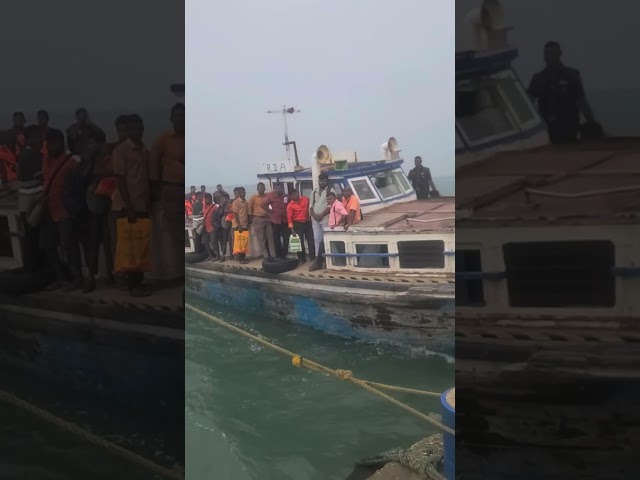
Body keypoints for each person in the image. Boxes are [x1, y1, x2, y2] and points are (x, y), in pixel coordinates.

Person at [111, 114, 151, 297]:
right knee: (130, 247)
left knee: (141, 244)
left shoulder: (143, 150)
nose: (140, 130)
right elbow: (120, 180)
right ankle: (132, 285)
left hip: (142, 203)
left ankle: (138, 282)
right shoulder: (121, 151)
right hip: (127, 207)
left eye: (141, 126)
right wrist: (129, 207)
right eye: (135, 127)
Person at [528, 41, 597, 144]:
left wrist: (591, 122)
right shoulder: (539, 79)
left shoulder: (572, 76)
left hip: (569, 129)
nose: (547, 57)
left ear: (559, 54)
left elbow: (582, 101)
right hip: (549, 131)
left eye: (551, 53)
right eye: (546, 54)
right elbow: (529, 104)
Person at [41, 128, 82, 290]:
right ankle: (60, 277)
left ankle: (77, 278)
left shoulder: (72, 161)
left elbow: (78, 187)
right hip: (48, 210)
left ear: (62, 142)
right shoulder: (45, 160)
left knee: (69, 245)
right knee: (49, 245)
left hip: (65, 210)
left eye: (56, 142)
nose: (53, 146)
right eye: (50, 143)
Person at [149, 103, 186, 281]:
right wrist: (159, 190)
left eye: (183, 115)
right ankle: (180, 273)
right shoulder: (163, 140)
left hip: (189, 192)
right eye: (177, 116)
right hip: (172, 190)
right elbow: (153, 164)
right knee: (175, 234)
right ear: (171, 118)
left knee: (193, 233)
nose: (180, 119)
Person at [16, 126, 44, 271]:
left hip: (28, 203)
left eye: (40, 136)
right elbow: (42, 177)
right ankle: (33, 269)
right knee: (32, 238)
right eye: (35, 137)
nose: (40, 139)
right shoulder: (29, 156)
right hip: (31, 205)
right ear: (28, 139)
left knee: (33, 238)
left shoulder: (35, 154)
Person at [312, 191, 348, 271]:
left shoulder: (337, 205)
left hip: (335, 230)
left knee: (323, 245)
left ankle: (319, 264)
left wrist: (337, 223)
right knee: (337, 247)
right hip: (332, 230)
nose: (329, 201)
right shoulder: (333, 205)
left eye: (330, 199)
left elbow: (345, 214)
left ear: (335, 197)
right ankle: (340, 263)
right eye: (328, 199)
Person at [248, 182, 275, 260]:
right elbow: (249, 208)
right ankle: (266, 256)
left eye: (262, 187)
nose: (261, 189)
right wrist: (252, 219)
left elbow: (273, 191)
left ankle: (273, 255)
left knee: (270, 237)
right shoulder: (254, 197)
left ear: (264, 188)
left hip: (267, 219)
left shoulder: (267, 196)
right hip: (258, 219)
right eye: (259, 187)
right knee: (261, 238)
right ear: (257, 189)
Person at [287, 189, 315, 264]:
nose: (295, 196)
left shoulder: (305, 199)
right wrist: (292, 229)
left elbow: (312, 204)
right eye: (293, 195)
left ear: (298, 193)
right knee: (299, 242)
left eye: (295, 194)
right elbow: (289, 218)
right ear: (290, 196)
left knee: (311, 241)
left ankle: (313, 257)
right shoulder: (290, 206)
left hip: (307, 223)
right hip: (298, 224)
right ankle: (302, 259)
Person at [262, 183, 290, 259]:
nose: (279, 190)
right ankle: (278, 255)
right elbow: (263, 204)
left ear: (282, 189)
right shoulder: (271, 197)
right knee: (276, 238)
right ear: (274, 189)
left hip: (285, 220)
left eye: (280, 188)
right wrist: (270, 211)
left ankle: (284, 254)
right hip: (275, 220)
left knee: (286, 238)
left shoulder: (286, 197)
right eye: (277, 188)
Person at [309, 173, 331, 261]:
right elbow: (310, 206)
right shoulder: (314, 192)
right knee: (316, 238)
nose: (322, 183)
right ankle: (319, 258)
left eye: (324, 181)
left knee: (325, 237)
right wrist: (315, 216)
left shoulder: (330, 190)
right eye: (321, 181)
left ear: (327, 181)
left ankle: (327, 258)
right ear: (318, 181)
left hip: (326, 218)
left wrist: (321, 215)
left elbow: (331, 205)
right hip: (315, 219)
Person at [232, 187, 250, 264]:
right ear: (239, 193)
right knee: (240, 243)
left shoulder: (245, 201)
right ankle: (241, 259)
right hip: (238, 226)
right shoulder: (236, 202)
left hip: (245, 224)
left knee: (244, 242)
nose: (243, 193)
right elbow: (235, 214)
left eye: (244, 192)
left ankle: (243, 257)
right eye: (242, 192)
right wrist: (239, 225)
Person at [212, 193, 230, 262]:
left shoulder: (226, 207)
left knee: (224, 242)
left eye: (223, 199)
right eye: (221, 199)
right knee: (219, 241)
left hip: (223, 227)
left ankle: (223, 255)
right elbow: (214, 217)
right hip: (218, 227)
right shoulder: (219, 208)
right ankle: (219, 255)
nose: (222, 200)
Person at [201, 192, 217, 260]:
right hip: (205, 227)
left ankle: (217, 256)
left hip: (212, 227)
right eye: (206, 199)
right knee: (205, 242)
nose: (207, 200)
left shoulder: (214, 207)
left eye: (208, 199)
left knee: (213, 242)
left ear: (211, 199)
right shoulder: (204, 206)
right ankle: (210, 255)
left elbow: (217, 217)